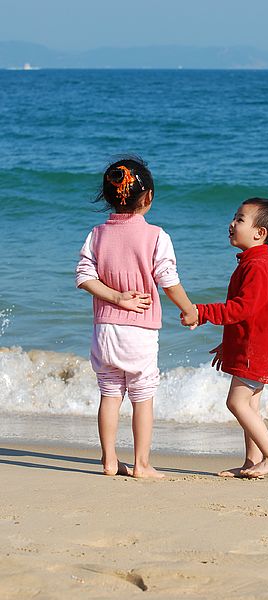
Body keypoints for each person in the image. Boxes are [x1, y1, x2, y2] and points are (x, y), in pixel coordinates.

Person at [76, 157, 198, 479]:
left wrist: (115, 297)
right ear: (148, 198)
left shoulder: (97, 234)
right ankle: (142, 464)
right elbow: (168, 281)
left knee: (110, 392)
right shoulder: (156, 236)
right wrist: (189, 309)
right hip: (140, 329)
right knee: (142, 395)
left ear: (108, 197)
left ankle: (109, 460)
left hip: (104, 328)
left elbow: (84, 276)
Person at [181, 198, 268, 478]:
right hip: (260, 343)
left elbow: (242, 308)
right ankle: (252, 462)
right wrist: (229, 343)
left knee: (237, 403)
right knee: (250, 405)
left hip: (259, 346)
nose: (231, 223)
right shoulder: (254, 262)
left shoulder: (257, 266)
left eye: (240, 219)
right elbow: (256, 313)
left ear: (259, 233)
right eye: (234, 217)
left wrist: (200, 312)